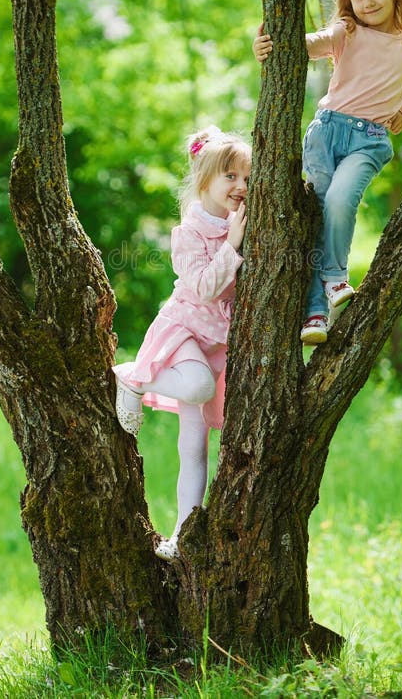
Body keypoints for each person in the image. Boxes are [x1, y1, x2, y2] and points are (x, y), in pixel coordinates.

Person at [253, 0, 402, 345]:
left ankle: (336, 277)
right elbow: (303, 45)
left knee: (339, 201)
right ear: (348, 0)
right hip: (326, 133)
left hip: (368, 141)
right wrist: (265, 44)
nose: (367, 3)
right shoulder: (346, 33)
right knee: (318, 215)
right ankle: (315, 313)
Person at [112, 126, 251, 560]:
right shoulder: (188, 233)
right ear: (204, 179)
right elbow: (206, 287)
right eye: (230, 177)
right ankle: (130, 375)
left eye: (246, 178)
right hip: (185, 330)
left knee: (194, 447)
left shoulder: (243, 221)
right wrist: (231, 246)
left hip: (218, 343)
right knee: (196, 386)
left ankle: (182, 533)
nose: (241, 186)